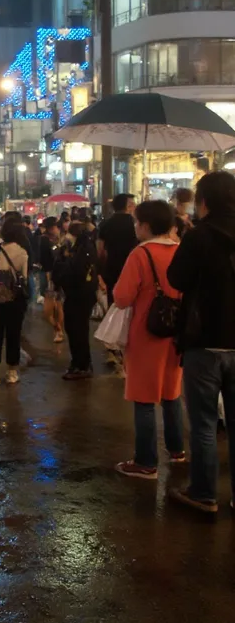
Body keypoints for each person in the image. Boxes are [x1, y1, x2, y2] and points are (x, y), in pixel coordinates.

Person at [167, 171, 235, 513]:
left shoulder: (199, 237)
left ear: (204, 201)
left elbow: (175, 278)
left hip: (204, 340)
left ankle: (205, 494)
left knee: (205, 422)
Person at [113, 200, 184, 479]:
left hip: (147, 333)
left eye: (136, 222)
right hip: (177, 331)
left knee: (143, 396)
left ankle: (146, 462)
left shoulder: (141, 255)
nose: (134, 227)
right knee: (171, 392)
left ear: (144, 225)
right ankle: (177, 451)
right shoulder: (181, 250)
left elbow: (121, 297)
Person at [0, 219, 28, 386]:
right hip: (15, 300)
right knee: (14, 335)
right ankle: (12, 373)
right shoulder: (22, 252)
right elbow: (24, 275)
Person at [53, 222, 98, 380]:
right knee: (74, 330)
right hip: (78, 295)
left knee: (78, 330)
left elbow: (74, 271)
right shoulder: (82, 248)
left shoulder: (84, 250)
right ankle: (78, 363)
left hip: (80, 296)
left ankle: (82, 365)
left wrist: (63, 262)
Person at [97, 193, 137, 307]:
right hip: (132, 267)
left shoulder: (105, 224)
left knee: (113, 304)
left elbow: (100, 250)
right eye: (132, 204)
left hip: (112, 268)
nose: (134, 206)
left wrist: (100, 271)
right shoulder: (136, 224)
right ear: (128, 206)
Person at [40, 216, 64, 342]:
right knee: (54, 307)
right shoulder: (48, 240)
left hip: (54, 276)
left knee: (52, 309)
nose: (57, 228)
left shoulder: (58, 239)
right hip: (52, 275)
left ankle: (58, 330)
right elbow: (45, 258)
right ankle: (58, 330)